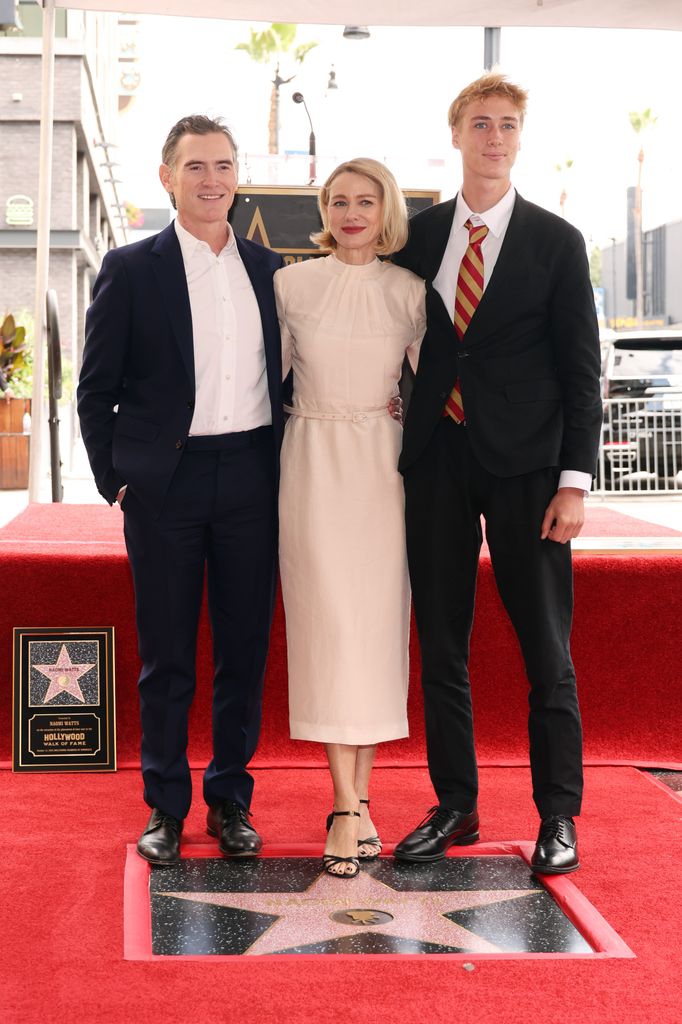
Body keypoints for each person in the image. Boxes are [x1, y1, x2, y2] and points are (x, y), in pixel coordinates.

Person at [391, 73, 602, 874]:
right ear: (456, 135)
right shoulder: (416, 234)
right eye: (480, 122)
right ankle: (457, 806)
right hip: (437, 462)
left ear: (520, 137)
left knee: (546, 648)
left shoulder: (557, 241)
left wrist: (574, 482)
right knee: (442, 644)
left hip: (531, 472)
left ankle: (559, 815)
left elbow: (583, 372)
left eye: (507, 123)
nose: (494, 136)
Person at [77, 115, 284, 866]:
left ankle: (230, 799)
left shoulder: (269, 270)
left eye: (223, 166)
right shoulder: (132, 270)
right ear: (167, 176)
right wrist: (119, 483)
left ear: (237, 175)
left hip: (254, 479)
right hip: (165, 483)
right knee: (166, 656)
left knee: (244, 650)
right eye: (196, 166)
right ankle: (165, 805)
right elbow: (94, 390)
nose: (212, 180)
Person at [274, 158, 425, 878]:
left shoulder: (410, 292)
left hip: (383, 471)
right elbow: (256, 380)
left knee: (373, 629)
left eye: (366, 201)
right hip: (311, 462)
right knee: (327, 624)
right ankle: (343, 803)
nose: (351, 212)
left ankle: (359, 800)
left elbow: (434, 389)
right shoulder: (290, 283)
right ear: (324, 210)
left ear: (385, 208)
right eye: (338, 201)